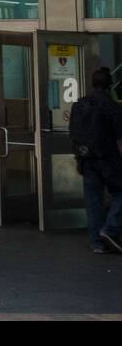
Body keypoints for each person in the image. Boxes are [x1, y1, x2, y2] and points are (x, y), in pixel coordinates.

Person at [70, 67, 122, 254]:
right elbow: (119, 139)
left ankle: (97, 243)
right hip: (109, 161)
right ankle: (110, 229)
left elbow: (74, 134)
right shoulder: (112, 107)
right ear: (109, 86)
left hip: (87, 159)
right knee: (120, 193)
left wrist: (78, 158)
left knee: (93, 201)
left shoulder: (79, 105)